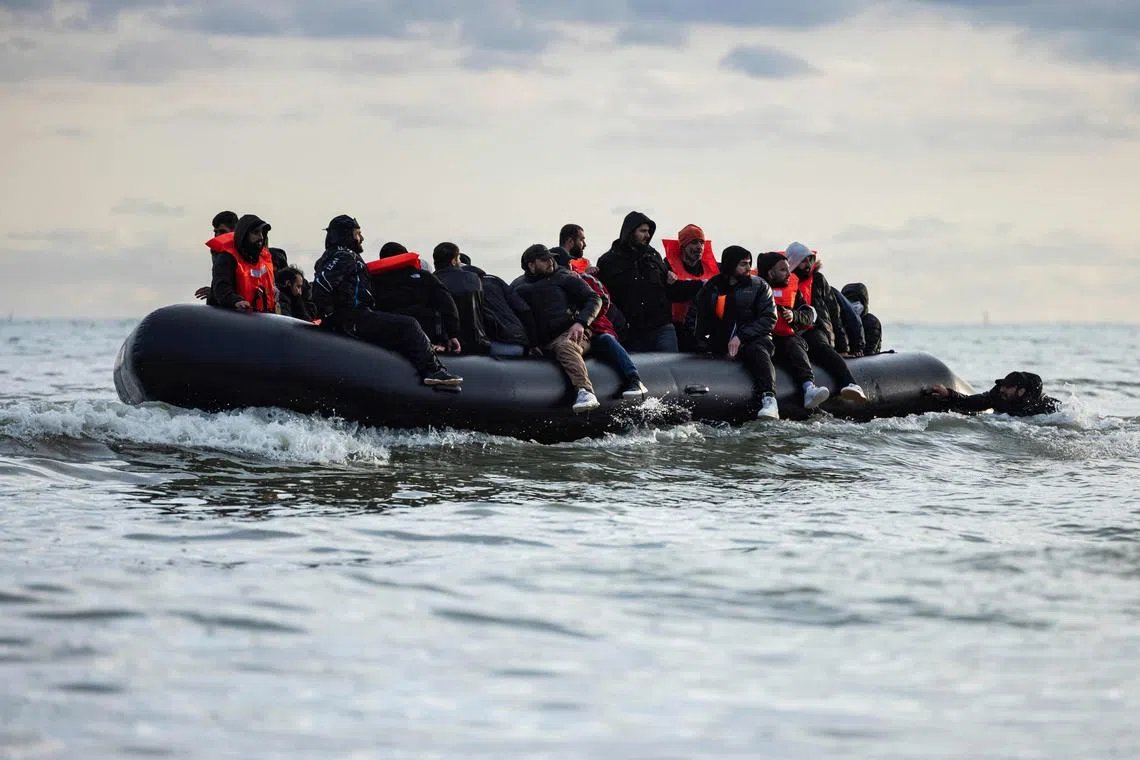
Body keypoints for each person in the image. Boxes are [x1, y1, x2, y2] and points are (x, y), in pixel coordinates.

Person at [312, 215, 461, 387]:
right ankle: (433, 371)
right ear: (347, 234)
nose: (361, 238)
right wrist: (333, 316)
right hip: (354, 317)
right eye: (358, 233)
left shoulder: (330, 256)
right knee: (409, 325)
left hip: (350, 317)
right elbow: (322, 286)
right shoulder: (344, 256)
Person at [513, 244, 603, 412]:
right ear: (531, 265)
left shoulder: (565, 277)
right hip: (542, 342)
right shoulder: (518, 287)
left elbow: (594, 299)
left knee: (565, 346)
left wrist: (581, 322)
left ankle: (585, 391)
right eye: (544, 260)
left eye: (551, 258)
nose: (550, 262)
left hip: (573, 333)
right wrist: (530, 344)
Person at [695, 246, 780, 420]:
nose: (749, 268)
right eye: (743, 264)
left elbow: (769, 318)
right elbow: (698, 317)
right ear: (730, 265)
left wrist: (741, 337)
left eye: (749, 264)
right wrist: (700, 341)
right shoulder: (713, 287)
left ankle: (769, 399)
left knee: (758, 350)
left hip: (754, 338)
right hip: (721, 340)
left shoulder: (760, 286)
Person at [551, 249, 648, 399]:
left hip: (596, 330)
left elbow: (603, 301)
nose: (570, 266)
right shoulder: (550, 288)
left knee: (607, 340)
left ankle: (634, 379)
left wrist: (583, 317)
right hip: (572, 336)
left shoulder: (586, 279)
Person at [754, 251, 841, 409]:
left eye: (788, 269)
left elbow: (809, 314)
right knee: (760, 349)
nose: (789, 273)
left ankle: (809, 388)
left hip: (785, 340)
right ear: (770, 273)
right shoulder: (753, 288)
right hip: (761, 339)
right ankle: (768, 399)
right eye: (783, 270)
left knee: (795, 343)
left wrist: (795, 316)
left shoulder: (793, 289)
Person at [596, 210, 692, 353]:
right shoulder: (608, 261)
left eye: (649, 231)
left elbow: (670, 287)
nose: (648, 235)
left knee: (670, 370)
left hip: (662, 328)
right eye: (643, 231)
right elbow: (602, 297)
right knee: (637, 373)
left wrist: (700, 285)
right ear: (630, 232)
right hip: (632, 332)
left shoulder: (653, 256)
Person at [783, 242, 868, 402]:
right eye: (802, 261)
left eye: (809, 260)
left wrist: (843, 347)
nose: (807, 264)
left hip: (814, 329)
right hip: (791, 334)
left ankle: (850, 383)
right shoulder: (784, 282)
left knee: (823, 350)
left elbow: (834, 314)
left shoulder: (818, 280)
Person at [369, 241, 461, 353]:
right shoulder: (425, 277)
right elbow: (447, 305)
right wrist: (452, 335)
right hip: (424, 337)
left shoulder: (373, 281)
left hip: (388, 340)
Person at [461, 255, 535, 357]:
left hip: (499, 345)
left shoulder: (466, 287)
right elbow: (523, 309)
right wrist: (533, 344)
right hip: (519, 342)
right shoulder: (495, 280)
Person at [663, 223, 719, 352]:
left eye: (702, 242)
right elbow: (672, 292)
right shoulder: (667, 267)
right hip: (675, 326)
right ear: (683, 245)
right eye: (694, 242)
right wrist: (701, 285)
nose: (699, 247)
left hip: (703, 327)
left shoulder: (713, 268)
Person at [206, 213, 276, 313]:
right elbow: (222, 287)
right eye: (256, 233)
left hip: (260, 318)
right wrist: (236, 301)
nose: (260, 237)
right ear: (245, 234)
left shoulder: (264, 259)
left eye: (262, 233)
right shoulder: (227, 258)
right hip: (232, 317)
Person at [433, 242, 490, 354]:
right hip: (477, 341)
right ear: (454, 261)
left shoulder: (432, 281)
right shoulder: (473, 278)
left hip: (447, 344)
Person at [926, 372, 1059, 417]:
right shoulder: (996, 396)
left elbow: (1063, 418)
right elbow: (971, 402)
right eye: (1002, 386)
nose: (1002, 390)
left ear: (1021, 391)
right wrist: (949, 394)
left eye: (1008, 387)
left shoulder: (1041, 405)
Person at [194, 210, 239, 303]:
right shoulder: (217, 252)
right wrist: (214, 291)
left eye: (222, 232)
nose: (217, 236)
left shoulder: (239, 254)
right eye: (216, 232)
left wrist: (214, 293)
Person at [841, 282, 883, 355]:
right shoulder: (839, 321)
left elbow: (870, 350)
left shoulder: (872, 323)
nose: (851, 305)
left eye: (855, 300)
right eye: (848, 301)